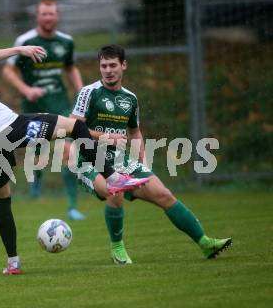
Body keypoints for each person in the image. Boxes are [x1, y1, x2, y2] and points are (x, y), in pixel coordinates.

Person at [0, 30, 149, 275]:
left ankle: (13, 262)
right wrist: (18, 50)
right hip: (10, 127)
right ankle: (111, 176)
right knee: (76, 126)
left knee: (1, 199)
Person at [70, 44, 232, 265]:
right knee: (114, 191)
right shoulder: (89, 92)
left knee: (164, 194)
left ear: (123, 65)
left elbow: (135, 132)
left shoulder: (131, 99)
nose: (108, 70)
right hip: (88, 159)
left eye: (113, 65)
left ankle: (205, 243)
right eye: (104, 65)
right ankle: (117, 249)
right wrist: (105, 137)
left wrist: (142, 164)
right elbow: (73, 128)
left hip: (120, 160)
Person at [2, 0, 85, 220]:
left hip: (59, 104)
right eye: (44, 14)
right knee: (38, 154)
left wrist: (82, 92)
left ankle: (73, 205)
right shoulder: (25, 41)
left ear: (57, 16)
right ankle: (36, 183)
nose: (48, 17)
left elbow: (71, 68)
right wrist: (26, 89)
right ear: (37, 17)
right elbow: (8, 72)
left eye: (51, 14)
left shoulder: (66, 42)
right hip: (33, 108)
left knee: (68, 151)